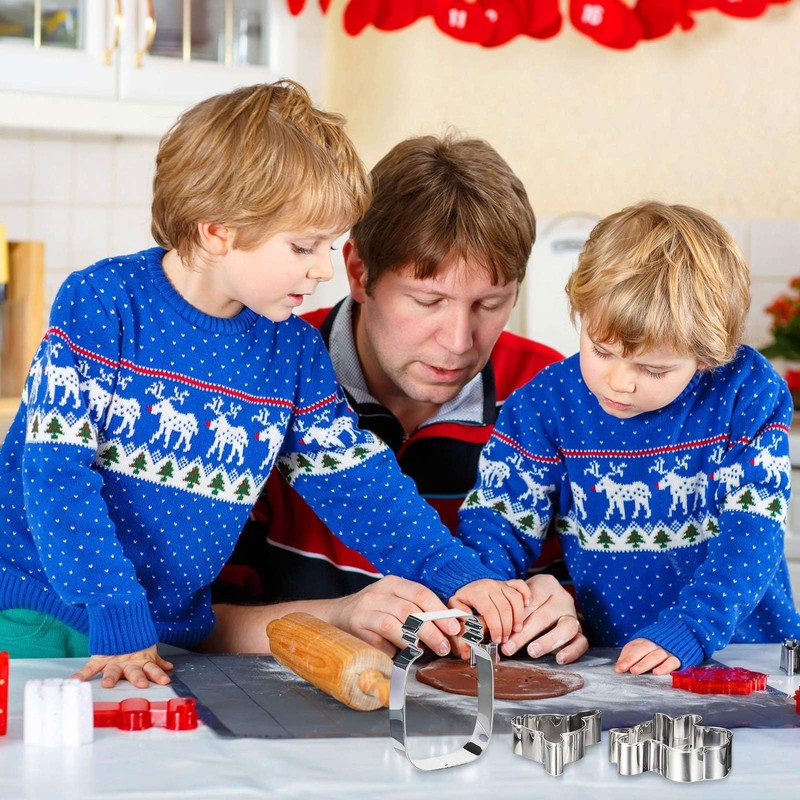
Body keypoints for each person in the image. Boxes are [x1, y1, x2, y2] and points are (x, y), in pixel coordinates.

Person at [0, 82, 532, 689]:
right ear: (216, 230)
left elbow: (360, 487)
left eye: (328, 246)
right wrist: (116, 610)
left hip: (163, 636)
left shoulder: (292, 352)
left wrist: (460, 576)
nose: (323, 269)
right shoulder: (104, 303)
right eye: (303, 246)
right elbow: (56, 476)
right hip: (32, 615)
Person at [208, 133, 587, 664]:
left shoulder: (558, 396)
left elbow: (604, 589)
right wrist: (335, 619)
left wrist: (571, 606)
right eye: (427, 301)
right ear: (360, 273)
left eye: (490, 304)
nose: (458, 341)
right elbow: (191, 621)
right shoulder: (261, 382)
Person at [456, 200, 800, 675]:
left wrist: (695, 626)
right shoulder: (542, 406)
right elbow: (499, 526)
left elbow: (752, 536)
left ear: (708, 356)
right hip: (610, 663)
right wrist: (488, 605)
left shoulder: (747, 391)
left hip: (749, 656)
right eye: (601, 350)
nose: (620, 381)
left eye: (653, 369)